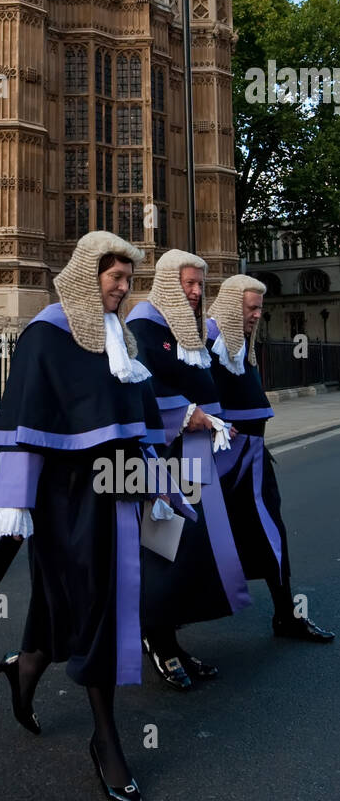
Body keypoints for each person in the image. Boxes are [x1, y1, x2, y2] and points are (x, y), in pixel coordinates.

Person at [0, 231, 163, 801]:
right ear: (89, 277)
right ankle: (106, 741)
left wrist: (157, 484)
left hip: (114, 492)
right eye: (116, 279)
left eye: (129, 280)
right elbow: (26, 423)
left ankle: (24, 668)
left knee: (80, 605)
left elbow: (136, 424)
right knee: (89, 606)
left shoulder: (121, 338)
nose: (124, 289)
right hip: (65, 499)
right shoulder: (46, 334)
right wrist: (12, 503)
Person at [128, 250, 251, 690]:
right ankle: (156, 639)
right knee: (163, 547)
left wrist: (213, 418)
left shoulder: (185, 325)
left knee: (192, 549)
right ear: (166, 282)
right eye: (189, 284)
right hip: (165, 458)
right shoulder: (144, 323)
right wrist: (184, 414)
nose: (197, 292)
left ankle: (171, 639)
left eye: (201, 285)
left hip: (194, 453)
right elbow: (140, 383)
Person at [208, 275, 333, 643]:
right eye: (251, 308)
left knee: (271, 535)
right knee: (197, 543)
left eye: (259, 308)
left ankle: (286, 615)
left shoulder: (241, 342)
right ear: (233, 306)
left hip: (253, 460)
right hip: (225, 465)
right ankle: (161, 627)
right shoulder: (211, 342)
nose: (257, 315)